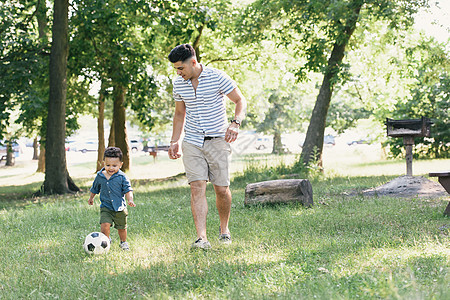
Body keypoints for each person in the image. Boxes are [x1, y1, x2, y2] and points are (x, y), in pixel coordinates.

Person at [167, 44, 247, 249]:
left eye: (180, 68)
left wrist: (235, 123)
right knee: (197, 187)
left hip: (218, 140)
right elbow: (179, 114)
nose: (178, 73)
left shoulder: (217, 76)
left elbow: (240, 100)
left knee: (221, 189)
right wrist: (175, 140)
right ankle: (201, 238)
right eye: (176, 69)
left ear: (193, 63)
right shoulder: (179, 84)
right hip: (192, 141)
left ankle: (224, 229)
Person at [88, 147, 136, 250]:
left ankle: (123, 242)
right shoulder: (100, 176)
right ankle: (106, 240)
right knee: (104, 225)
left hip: (120, 208)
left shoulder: (122, 177)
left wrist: (130, 199)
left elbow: (128, 190)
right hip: (106, 207)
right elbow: (94, 188)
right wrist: (91, 198)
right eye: (108, 165)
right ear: (103, 163)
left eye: (114, 165)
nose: (111, 168)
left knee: (121, 228)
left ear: (120, 164)